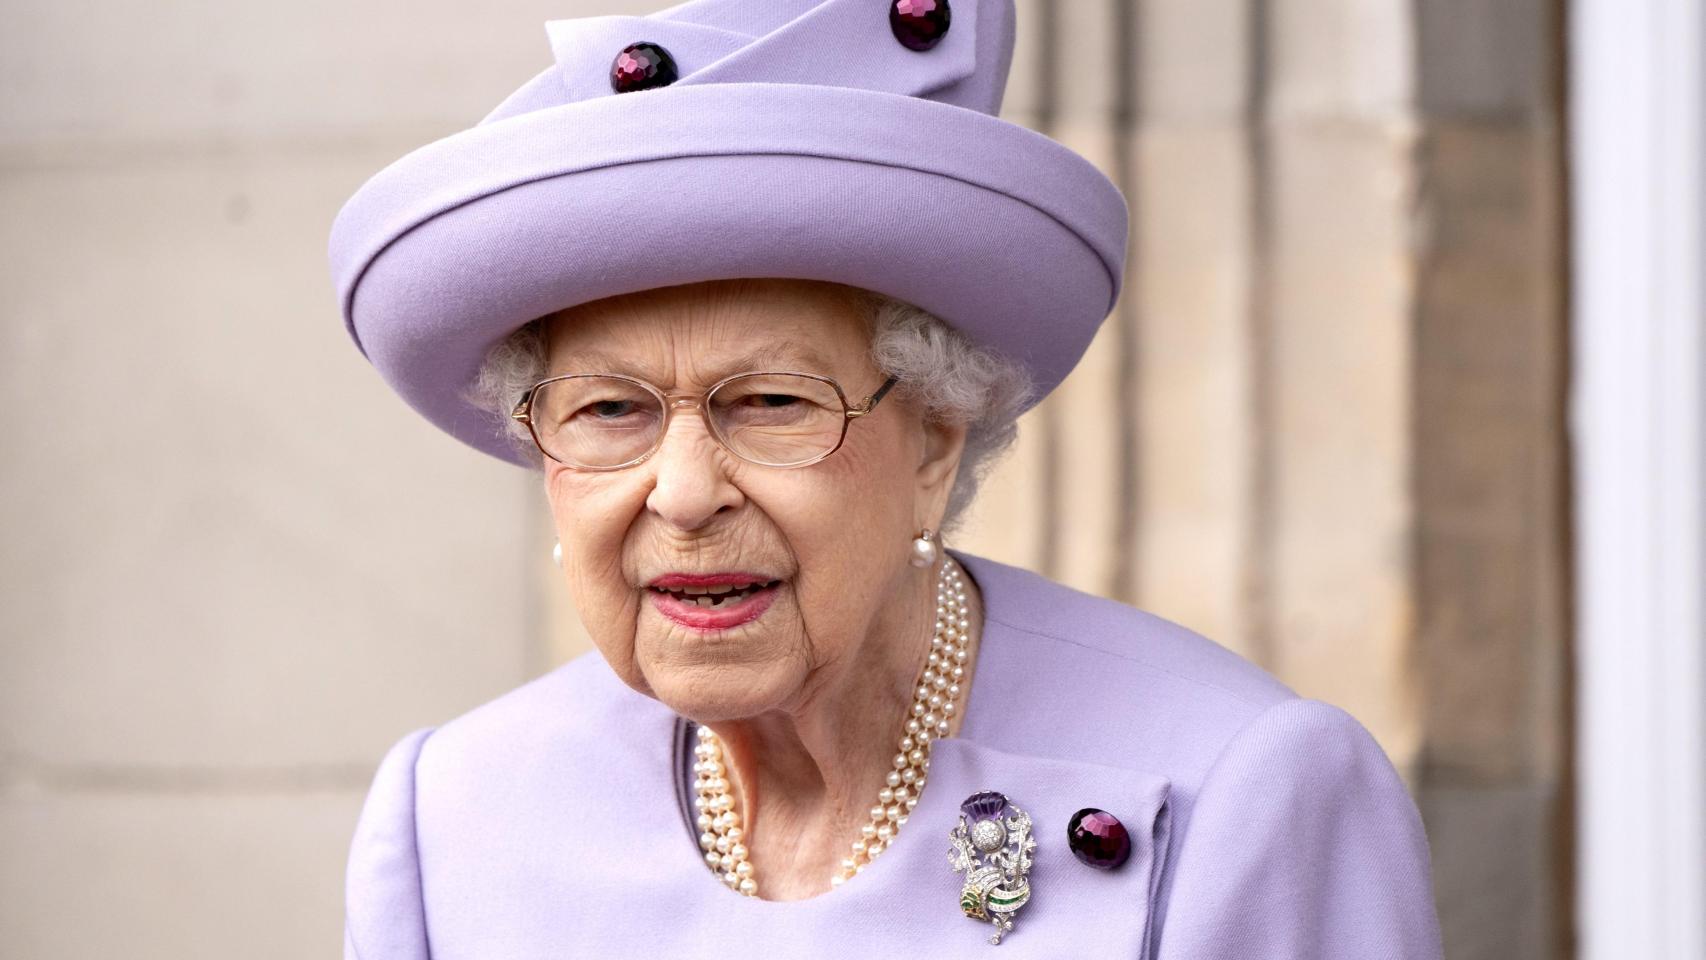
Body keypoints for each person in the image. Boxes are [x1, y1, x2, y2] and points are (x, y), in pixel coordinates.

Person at [328, 0, 1444, 956]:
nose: (681, 492)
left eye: (770, 404)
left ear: (933, 443)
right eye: (606, 411)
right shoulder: (456, 814)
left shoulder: (1241, 790)